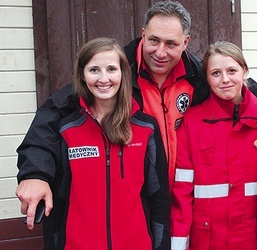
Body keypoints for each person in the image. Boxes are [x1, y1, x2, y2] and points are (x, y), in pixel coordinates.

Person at [15, 0, 211, 230]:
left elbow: (238, 89)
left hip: (183, 203)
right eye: (154, 40)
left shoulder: (199, 77)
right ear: (143, 33)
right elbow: (50, 116)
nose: (160, 52)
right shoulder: (114, 70)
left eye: (171, 44)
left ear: (185, 42)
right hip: (131, 206)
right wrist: (35, 174)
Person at [24, 37, 170, 249]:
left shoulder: (146, 128)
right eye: (94, 70)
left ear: (123, 74)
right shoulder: (67, 129)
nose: (103, 78)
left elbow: (159, 199)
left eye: (111, 69)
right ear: (82, 76)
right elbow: (59, 202)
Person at [170, 41, 257, 250]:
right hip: (209, 240)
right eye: (215, 73)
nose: (225, 80)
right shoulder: (192, 122)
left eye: (231, 70)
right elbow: (182, 192)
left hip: (256, 238)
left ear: (244, 71)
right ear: (207, 78)